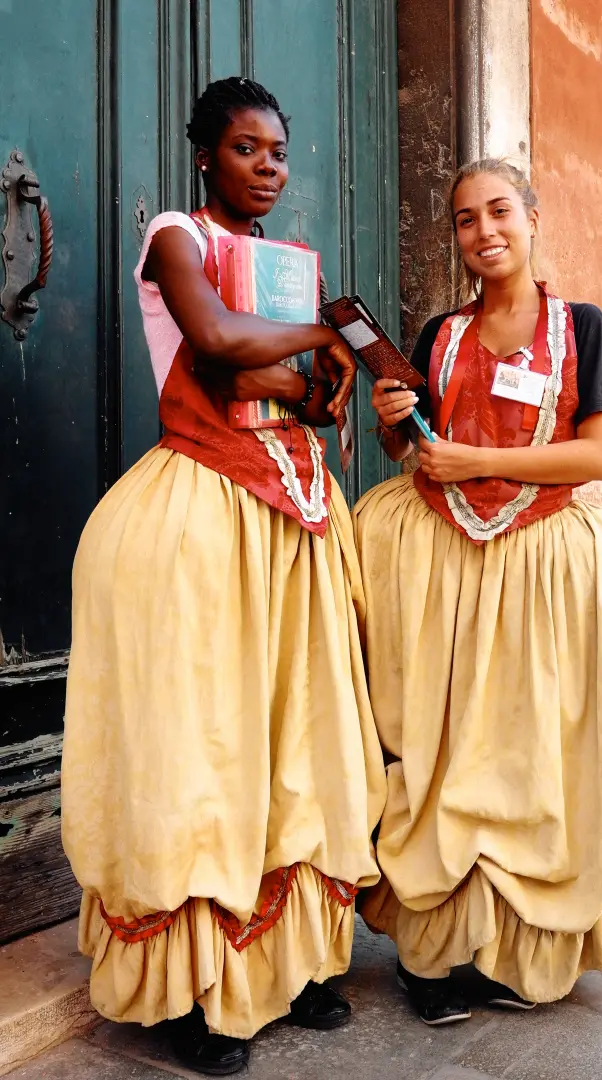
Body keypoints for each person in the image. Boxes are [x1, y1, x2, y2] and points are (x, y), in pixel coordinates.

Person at [62, 77, 386, 1075]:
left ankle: (294, 963)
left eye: (279, 152)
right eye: (246, 149)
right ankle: (191, 989)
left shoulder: (292, 268)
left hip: (297, 519)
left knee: (301, 736)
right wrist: (326, 339)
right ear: (207, 154)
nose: (267, 167)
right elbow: (212, 341)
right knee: (203, 744)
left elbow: (304, 392)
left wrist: (295, 368)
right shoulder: (176, 237)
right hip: (199, 511)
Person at [354, 159, 602, 1025]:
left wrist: (478, 459)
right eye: (462, 219)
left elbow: (597, 456)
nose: (482, 231)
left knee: (529, 753)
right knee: (444, 749)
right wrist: (391, 425)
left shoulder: (580, 329)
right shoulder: (438, 335)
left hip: (538, 568)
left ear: (530, 217)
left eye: (497, 212)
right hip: (441, 563)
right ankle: (433, 955)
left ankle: (518, 948)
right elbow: (413, 457)